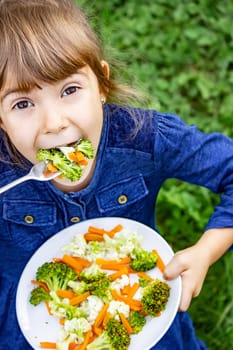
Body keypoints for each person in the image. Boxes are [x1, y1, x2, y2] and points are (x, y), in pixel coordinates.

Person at [0, 0, 233, 349]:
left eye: (70, 90)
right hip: (33, 326)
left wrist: (206, 251)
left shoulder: (142, 139)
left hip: (143, 313)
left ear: (103, 85)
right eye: (23, 104)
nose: (54, 122)